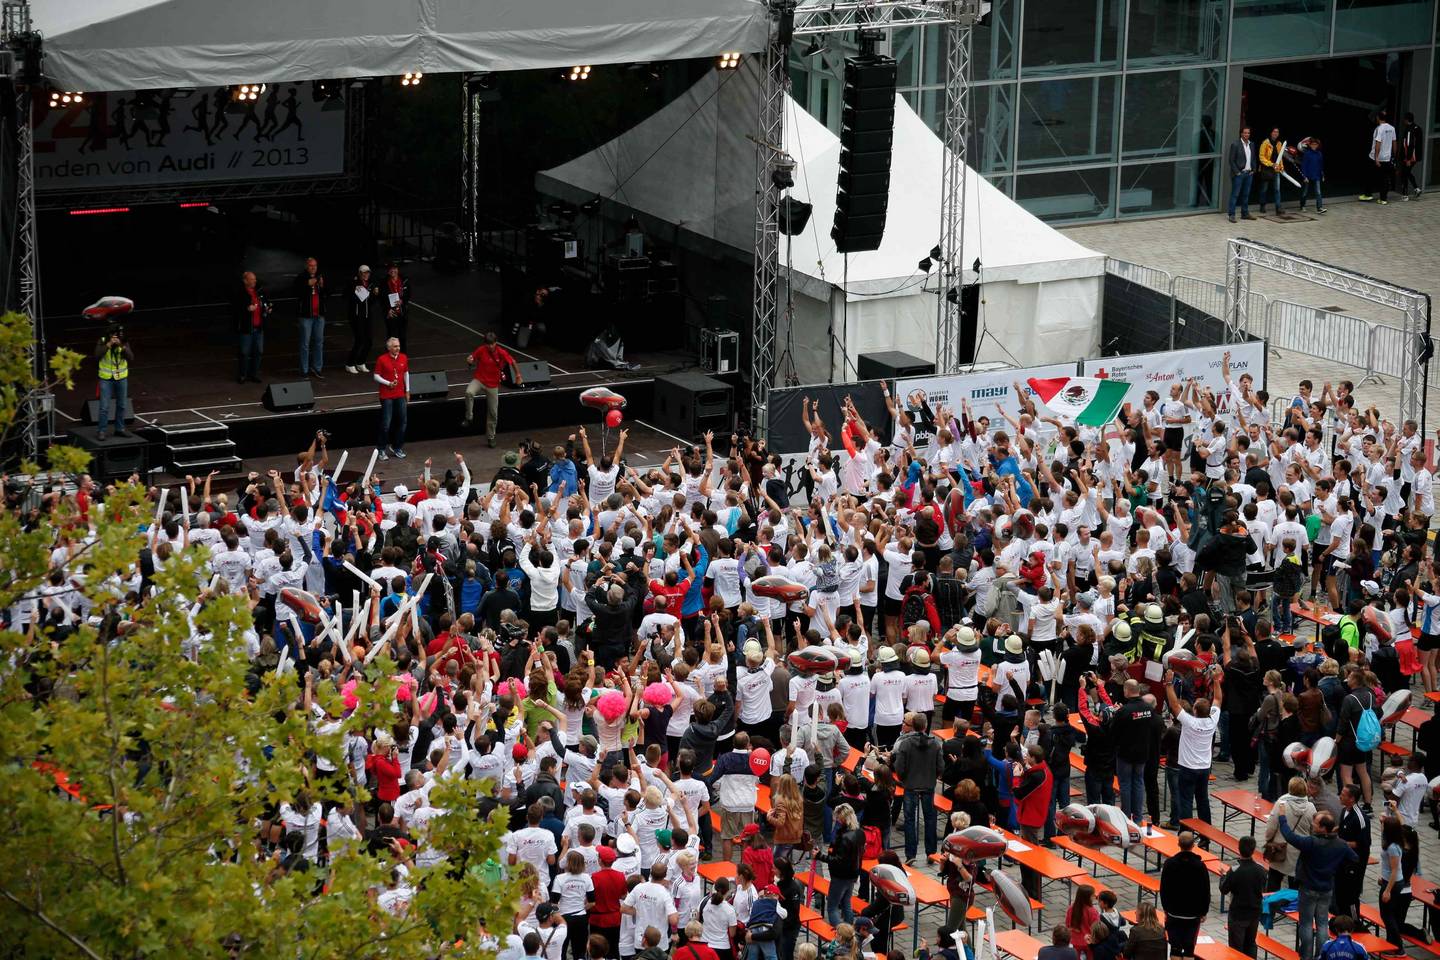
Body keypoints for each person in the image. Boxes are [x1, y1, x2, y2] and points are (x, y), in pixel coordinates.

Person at [1275, 811, 1358, 960]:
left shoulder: (1311, 842)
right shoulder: (1340, 844)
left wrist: (1282, 817)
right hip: (1326, 889)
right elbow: (1354, 859)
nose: (1313, 824)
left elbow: (1289, 836)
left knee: (1306, 923)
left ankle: (1306, 956)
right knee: (1322, 924)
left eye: (1316, 823)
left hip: (1308, 888)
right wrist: (1336, 867)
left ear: (1323, 828)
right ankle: (1321, 956)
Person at [1163, 666, 1222, 823]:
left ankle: (1186, 830)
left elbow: (1174, 705)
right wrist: (1216, 680)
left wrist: (1168, 684)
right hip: (1204, 768)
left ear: (1195, 710)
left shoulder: (1189, 722)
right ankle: (1205, 831)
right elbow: (1217, 699)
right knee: (1203, 799)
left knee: (1186, 800)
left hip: (1188, 768)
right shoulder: (1212, 721)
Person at [891, 711, 942, 865]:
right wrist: (933, 777)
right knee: (930, 819)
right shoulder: (935, 744)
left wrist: (903, 779)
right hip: (928, 785)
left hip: (911, 785)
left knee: (909, 819)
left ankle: (910, 854)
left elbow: (899, 766)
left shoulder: (906, 744)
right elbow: (940, 766)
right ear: (925, 726)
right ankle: (931, 852)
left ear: (913, 726)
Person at [464, 332, 522, 447]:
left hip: (492, 385)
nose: (490, 346)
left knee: (493, 413)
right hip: (479, 380)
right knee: (469, 392)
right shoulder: (481, 350)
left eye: (492, 344)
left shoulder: (501, 352)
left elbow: (513, 362)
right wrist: (469, 361)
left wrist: (518, 375)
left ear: (496, 342)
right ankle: (469, 417)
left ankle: (491, 437)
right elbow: (472, 359)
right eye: (488, 344)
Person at [1158, 832, 1210, 960]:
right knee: (1189, 950)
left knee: (1175, 949)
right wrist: (1203, 911)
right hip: (1193, 914)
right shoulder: (1200, 866)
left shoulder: (1169, 864)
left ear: (1178, 844)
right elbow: (1205, 890)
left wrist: (1166, 909)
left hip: (1174, 912)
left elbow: (1164, 889)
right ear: (1193, 845)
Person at [1219, 835, 1267, 957]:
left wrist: (1223, 877)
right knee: (1250, 943)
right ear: (1253, 850)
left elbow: (1224, 889)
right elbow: (1263, 887)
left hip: (1238, 913)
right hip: (1254, 912)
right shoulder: (1261, 869)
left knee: (1236, 947)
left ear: (1239, 849)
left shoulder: (1234, 870)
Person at [93, 326, 134, 441]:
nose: (116, 337)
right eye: (114, 335)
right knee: (104, 407)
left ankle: (119, 429)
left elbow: (131, 357)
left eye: (118, 335)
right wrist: (109, 344)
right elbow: (97, 355)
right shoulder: (102, 341)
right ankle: (101, 431)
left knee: (122, 405)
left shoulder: (123, 341)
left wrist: (122, 346)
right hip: (106, 378)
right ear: (109, 335)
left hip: (121, 378)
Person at [373, 337, 409, 461]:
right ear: (389, 348)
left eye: (398, 346)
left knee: (403, 422)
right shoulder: (382, 359)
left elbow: (406, 373)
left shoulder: (403, 357)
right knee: (386, 424)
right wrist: (388, 383)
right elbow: (376, 376)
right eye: (395, 346)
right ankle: (381, 449)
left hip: (400, 394)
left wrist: (407, 390)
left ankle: (397, 447)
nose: (397, 348)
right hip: (386, 395)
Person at [232, 270, 271, 384]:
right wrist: (247, 309)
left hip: (259, 327)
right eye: (252, 279)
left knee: (259, 351)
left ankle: (254, 374)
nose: (254, 281)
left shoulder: (259, 291)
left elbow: (266, 302)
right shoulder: (240, 293)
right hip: (246, 328)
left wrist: (267, 308)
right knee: (244, 352)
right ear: (245, 281)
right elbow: (235, 309)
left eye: (255, 279)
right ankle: (242, 375)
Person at [294, 255, 327, 379]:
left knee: (319, 343)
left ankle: (317, 368)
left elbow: (328, 293)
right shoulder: (301, 278)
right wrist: (307, 284)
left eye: (315, 266)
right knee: (305, 344)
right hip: (306, 316)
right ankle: (304, 370)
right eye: (311, 266)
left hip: (319, 316)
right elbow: (296, 292)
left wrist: (322, 286)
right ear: (306, 267)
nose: (313, 268)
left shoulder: (320, 276)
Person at [345, 265, 378, 375]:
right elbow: (346, 296)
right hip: (356, 317)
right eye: (364, 272)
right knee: (359, 340)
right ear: (359, 273)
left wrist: (375, 295)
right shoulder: (354, 283)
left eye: (368, 272)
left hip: (367, 316)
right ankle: (350, 364)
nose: (366, 274)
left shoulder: (371, 284)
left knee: (369, 341)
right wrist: (353, 290)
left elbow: (371, 302)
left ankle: (361, 362)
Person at [1359, 110, 1397, 205]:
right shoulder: (1392, 128)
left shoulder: (1379, 129)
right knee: (1384, 179)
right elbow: (1394, 143)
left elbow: (1378, 143)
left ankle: (1368, 195)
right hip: (1387, 158)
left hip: (1375, 157)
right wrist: (1394, 156)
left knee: (1369, 175)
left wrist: (1376, 158)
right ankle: (1383, 199)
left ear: (1378, 118)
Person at [1227, 126, 1257, 223]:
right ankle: (1231, 214)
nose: (1247, 134)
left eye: (1248, 133)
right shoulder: (1235, 144)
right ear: (1241, 134)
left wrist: (1254, 169)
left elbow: (1253, 158)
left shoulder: (1252, 144)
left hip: (1249, 173)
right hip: (1239, 174)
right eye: (1245, 133)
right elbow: (1231, 160)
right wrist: (1237, 172)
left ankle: (1245, 213)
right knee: (1235, 195)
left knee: (1246, 195)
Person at [383, 264, 411, 351]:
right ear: (388, 271)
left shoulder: (404, 280)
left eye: (394, 268)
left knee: (402, 336)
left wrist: (402, 301)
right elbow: (381, 299)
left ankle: (403, 356)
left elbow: (409, 294)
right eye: (390, 269)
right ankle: (390, 356)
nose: (393, 271)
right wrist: (387, 309)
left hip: (402, 313)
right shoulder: (384, 282)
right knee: (392, 337)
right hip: (391, 313)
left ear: (397, 269)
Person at [1258, 127, 1285, 215]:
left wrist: (1281, 167)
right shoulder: (1265, 143)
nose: (1276, 133)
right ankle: (1262, 205)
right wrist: (1271, 164)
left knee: (1277, 189)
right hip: (1267, 169)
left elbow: (1280, 157)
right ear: (1271, 133)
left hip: (1276, 170)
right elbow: (1261, 157)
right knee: (1264, 189)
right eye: (1274, 131)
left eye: (1277, 132)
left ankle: (1278, 208)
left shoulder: (1279, 143)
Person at [1398, 112, 1423, 201]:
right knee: (1407, 172)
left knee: (1404, 174)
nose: (1403, 121)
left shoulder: (1409, 130)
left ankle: (1405, 195)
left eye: (1404, 119)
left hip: (1410, 156)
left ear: (1406, 120)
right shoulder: (1418, 128)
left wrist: (1408, 159)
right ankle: (1416, 189)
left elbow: (1409, 144)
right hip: (1416, 156)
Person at [1298, 138, 1326, 214]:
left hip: (1317, 176)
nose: (1314, 146)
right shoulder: (1307, 153)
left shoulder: (1319, 154)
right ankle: (1302, 206)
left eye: (1315, 144)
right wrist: (1304, 176)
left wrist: (1322, 175)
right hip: (1307, 176)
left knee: (1318, 192)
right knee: (1305, 192)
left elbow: (1321, 165)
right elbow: (1304, 166)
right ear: (1310, 145)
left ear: (1318, 145)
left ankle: (1319, 208)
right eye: (1312, 144)